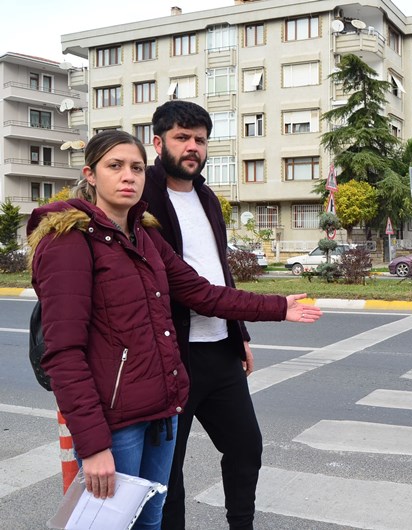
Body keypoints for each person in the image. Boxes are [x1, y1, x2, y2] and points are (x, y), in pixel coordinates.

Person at [27, 131, 322, 530]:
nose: (128, 176)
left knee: (151, 522)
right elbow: (64, 353)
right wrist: (94, 445)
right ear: (91, 175)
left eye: (135, 167)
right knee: (111, 526)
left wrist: (277, 307)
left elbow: (201, 293)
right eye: (114, 167)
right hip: (116, 422)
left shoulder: (146, 236)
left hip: (162, 411)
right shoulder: (69, 242)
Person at [141, 100, 260, 529]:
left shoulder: (208, 197)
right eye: (182, 138)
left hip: (220, 351)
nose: (193, 147)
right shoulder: (144, 196)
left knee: (246, 447)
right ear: (158, 142)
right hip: (171, 357)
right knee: (169, 470)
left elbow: (220, 270)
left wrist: (239, 331)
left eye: (200, 140)